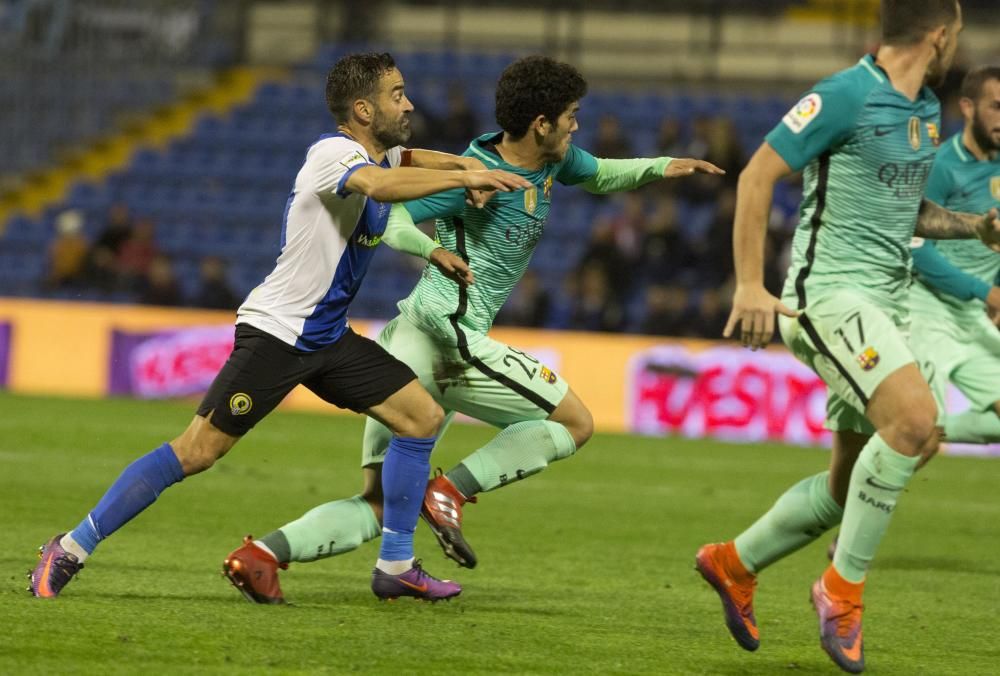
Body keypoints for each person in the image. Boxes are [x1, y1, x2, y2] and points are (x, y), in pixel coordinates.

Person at [28, 51, 531, 603]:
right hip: (279, 335)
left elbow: (412, 157)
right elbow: (382, 188)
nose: (408, 103)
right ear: (363, 109)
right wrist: (467, 175)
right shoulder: (333, 154)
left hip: (328, 338)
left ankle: (395, 566)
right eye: (396, 94)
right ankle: (71, 546)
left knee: (422, 417)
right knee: (196, 452)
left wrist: (465, 170)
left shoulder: (384, 155)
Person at [220, 55, 723, 604]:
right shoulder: (472, 174)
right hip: (448, 334)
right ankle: (450, 490)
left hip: (407, 336)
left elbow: (603, 173)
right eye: (572, 115)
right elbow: (393, 219)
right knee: (575, 422)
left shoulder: (553, 161)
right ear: (542, 123)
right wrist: (432, 249)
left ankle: (262, 555)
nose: (577, 125)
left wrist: (664, 165)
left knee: (383, 503)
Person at [694, 3, 1000, 673]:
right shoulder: (844, 94)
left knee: (853, 481)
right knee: (917, 422)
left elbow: (907, 212)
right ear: (941, 35)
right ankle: (840, 591)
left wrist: (972, 226)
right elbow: (756, 176)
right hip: (828, 296)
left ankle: (734, 563)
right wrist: (749, 286)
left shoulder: (925, 110)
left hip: (885, 302)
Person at [908, 65, 1000, 450]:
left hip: (974, 315)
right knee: (919, 440)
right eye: (996, 107)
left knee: (923, 437)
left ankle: (913, 432)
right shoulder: (942, 166)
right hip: (928, 311)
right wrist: (986, 292)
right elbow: (917, 252)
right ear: (967, 107)